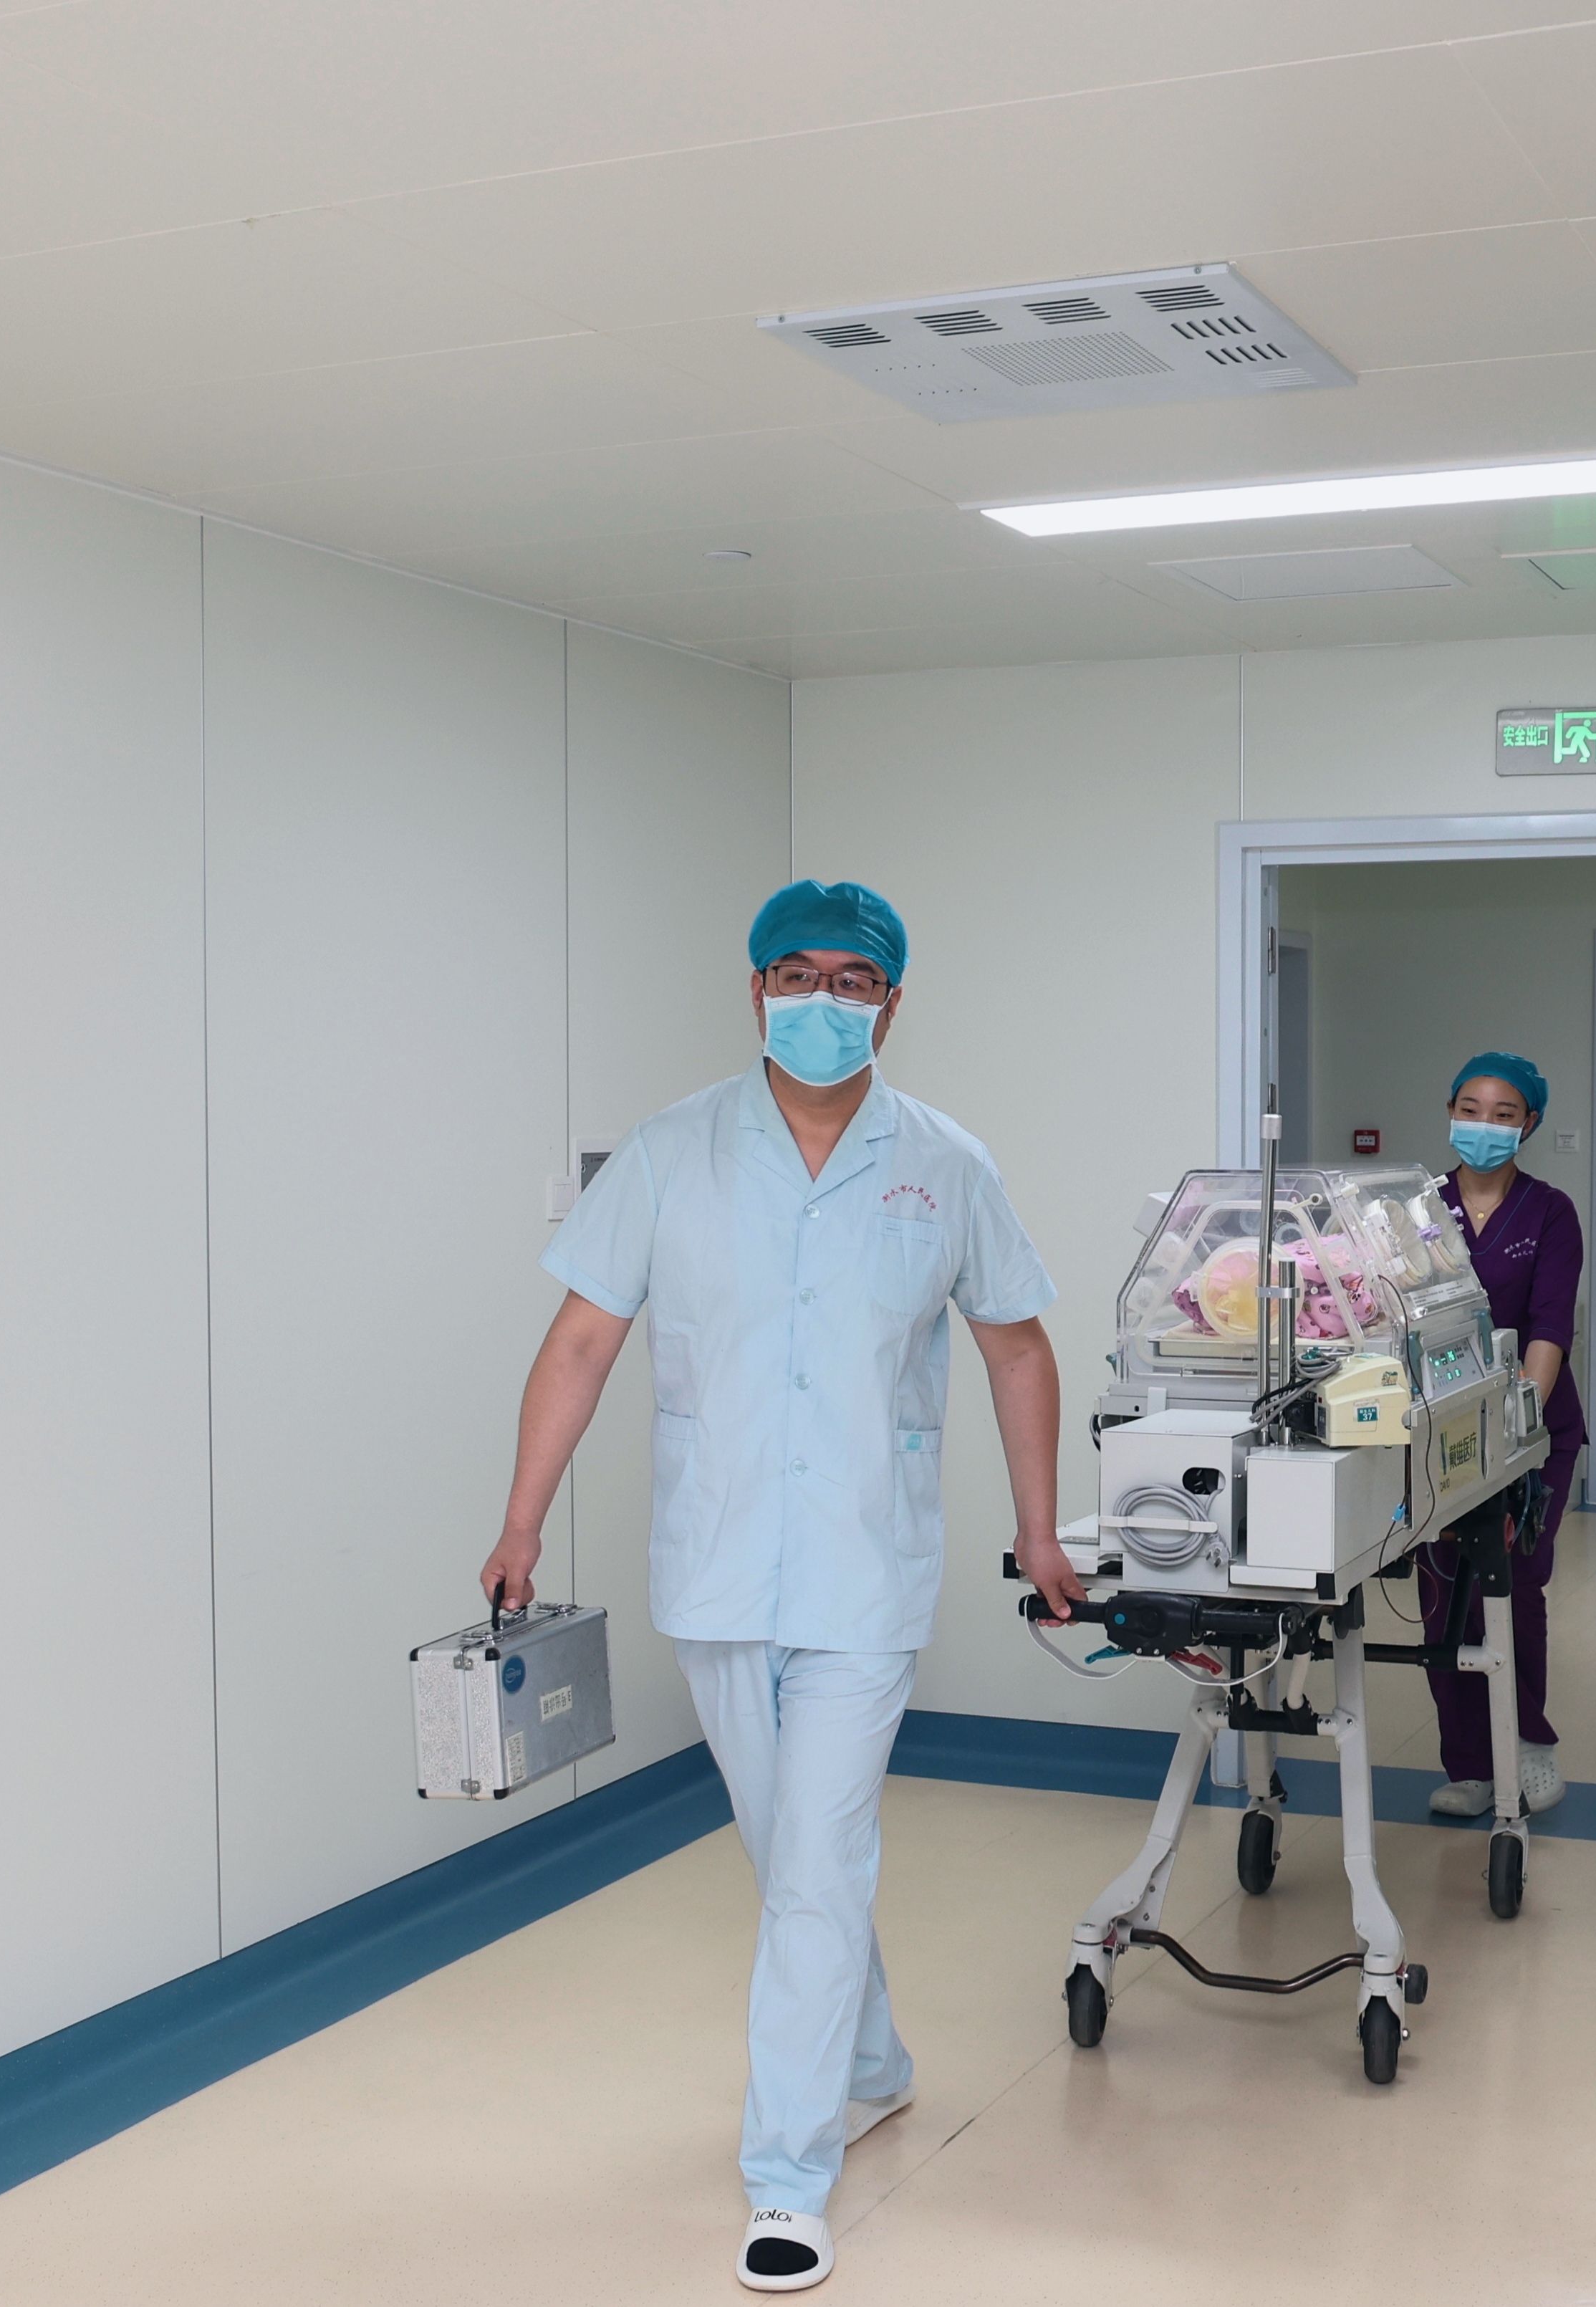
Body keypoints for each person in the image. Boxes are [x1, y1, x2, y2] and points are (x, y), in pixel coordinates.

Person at [476, 878, 1082, 2295]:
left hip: (868, 1565)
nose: (824, 1000)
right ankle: (869, 2059)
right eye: (798, 974)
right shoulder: (670, 1152)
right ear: (755, 991)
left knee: (816, 1858)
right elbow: (581, 1341)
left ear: (893, 1002)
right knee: (789, 1851)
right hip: (717, 1560)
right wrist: (520, 1521)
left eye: (853, 980)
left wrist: (1041, 1531)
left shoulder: (946, 1164)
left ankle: (788, 2179)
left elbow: (1016, 1347)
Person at [1423, 1051, 1585, 1818]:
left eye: (1503, 1114)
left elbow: (1550, 1325)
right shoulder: (1417, 1211)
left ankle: (1528, 1745)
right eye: (1470, 1109)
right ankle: (1469, 1764)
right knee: (1442, 1592)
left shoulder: (1549, 1211)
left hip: (1532, 1427)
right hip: (1439, 1432)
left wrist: (1519, 1425)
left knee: (1513, 1583)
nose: (1482, 1125)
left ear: (1529, 1124)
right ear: (1449, 1111)